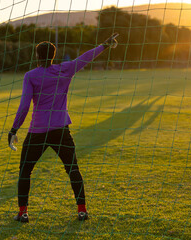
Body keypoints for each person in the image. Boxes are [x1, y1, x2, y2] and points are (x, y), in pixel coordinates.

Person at [8, 34, 119, 223]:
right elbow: (85, 58)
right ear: (53, 55)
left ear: (37, 55)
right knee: (73, 169)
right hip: (61, 130)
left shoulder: (30, 76)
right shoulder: (65, 69)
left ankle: (23, 212)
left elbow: (25, 106)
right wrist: (104, 45)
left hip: (37, 132)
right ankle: (82, 210)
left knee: (25, 171)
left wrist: (13, 129)